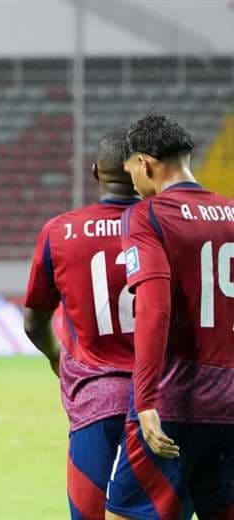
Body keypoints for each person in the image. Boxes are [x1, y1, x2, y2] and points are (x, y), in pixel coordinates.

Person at [106, 113, 234, 519]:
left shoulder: (147, 216)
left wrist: (144, 400)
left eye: (130, 171)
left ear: (144, 163)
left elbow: (155, 309)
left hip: (173, 403)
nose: (132, 182)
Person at [24, 128, 139, 519]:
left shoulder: (61, 231)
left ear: (95, 171)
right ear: (143, 169)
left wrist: (56, 357)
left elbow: (34, 322)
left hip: (95, 400)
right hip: (159, 400)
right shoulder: (166, 228)